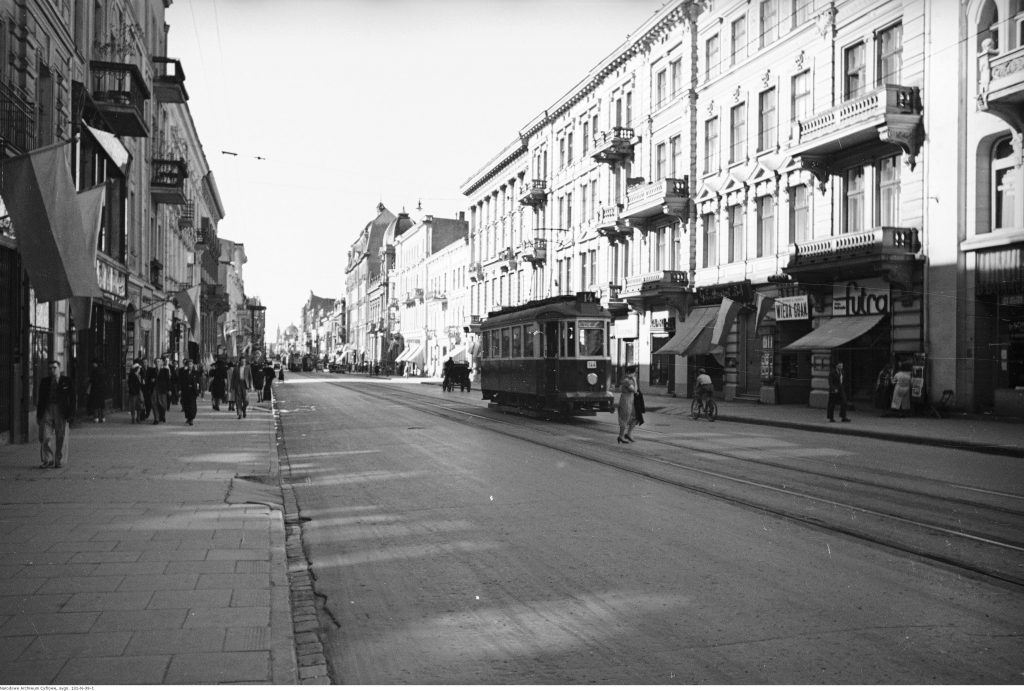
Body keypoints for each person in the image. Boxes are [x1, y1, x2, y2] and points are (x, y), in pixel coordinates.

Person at [37, 360, 75, 468]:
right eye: (50, 368)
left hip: (61, 410)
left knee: (61, 436)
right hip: (47, 409)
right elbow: (40, 399)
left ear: (59, 368)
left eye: (54, 368)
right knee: (45, 435)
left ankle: (59, 460)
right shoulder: (45, 381)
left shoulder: (67, 381)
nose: (52, 370)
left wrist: (71, 414)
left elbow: (72, 398)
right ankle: (47, 459)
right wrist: (39, 415)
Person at [616, 365, 638, 444]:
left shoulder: (629, 380)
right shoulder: (627, 381)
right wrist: (635, 381)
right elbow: (635, 390)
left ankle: (628, 434)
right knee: (625, 418)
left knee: (635, 417)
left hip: (630, 400)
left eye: (635, 372)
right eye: (634, 372)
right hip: (625, 401)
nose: (635, 374)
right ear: (629, 372)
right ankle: (621, 436)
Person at [177, 359, 201, 426]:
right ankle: (188, 417)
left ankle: (191, 419)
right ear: (187, 365)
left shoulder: (196, 373)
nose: (190, 365)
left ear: (193, 365)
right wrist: (180, 389)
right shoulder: (184, 372)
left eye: (191, 364)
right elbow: (180, 382)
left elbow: (198, 383)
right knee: (186, 405)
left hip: (193, 391)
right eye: (189, 364)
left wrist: (199, 390)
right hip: (185, 391)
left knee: (192, 405)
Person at [85, 357, 106, 423]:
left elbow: (92, 379)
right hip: (102, 389)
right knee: (101, 404)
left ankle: (96, 417)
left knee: (95, 404)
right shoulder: (103, 370)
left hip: (95, 389)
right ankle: (102, 417)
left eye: (93, 363)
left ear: (95, 363)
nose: (92, 365)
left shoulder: (94, 371)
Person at [152, 357, 172, 424]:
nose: (158, 362)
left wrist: (169, 389)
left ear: (161, 363)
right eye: (156, 361)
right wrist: (151, 381)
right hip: (154, 389)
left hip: (162, 389)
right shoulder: (151, 370)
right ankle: (156, 419)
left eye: (159, 361)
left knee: (163, 404)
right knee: (154, 403)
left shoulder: (165, 370)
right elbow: (147, 380)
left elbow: (168, 381)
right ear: (154, 363)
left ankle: (162, 415)